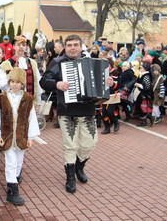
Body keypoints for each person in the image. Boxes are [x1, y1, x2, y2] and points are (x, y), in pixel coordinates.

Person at [39, 34, 113, 193]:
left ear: (81, 47)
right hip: (67, 111)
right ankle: (70, 176)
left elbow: (103, 84)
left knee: (90, 143)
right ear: (65, 47)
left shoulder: (92, 62)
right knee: (70, 146)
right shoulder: (58, 62)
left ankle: (79, 166)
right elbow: (43, 81)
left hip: (87, 111)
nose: (72, 48)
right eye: (69, 45)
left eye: (76, 45)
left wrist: (109, 83)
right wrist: (57, 84)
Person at [0, 68, 40, 205]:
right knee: (11, 162)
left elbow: (31, 118)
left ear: (22, 84)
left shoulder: (27, 98)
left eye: (17, 82)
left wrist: (31, 137)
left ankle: (14, 179)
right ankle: (12, 191)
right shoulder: (2, 98)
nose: (14, 84)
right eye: (12, 81)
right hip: (7, 135)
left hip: (21, 136)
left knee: (19, 162)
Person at [0, 36, 42, 108]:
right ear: (14, 46)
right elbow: (1, 84)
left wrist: (38, 102)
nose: (21, 47)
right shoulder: (7, 64)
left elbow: (37, 82)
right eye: (18, 45)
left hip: (30, 102)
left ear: (26, 47)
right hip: (12, 103)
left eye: (23, 45)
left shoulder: (32, 63)